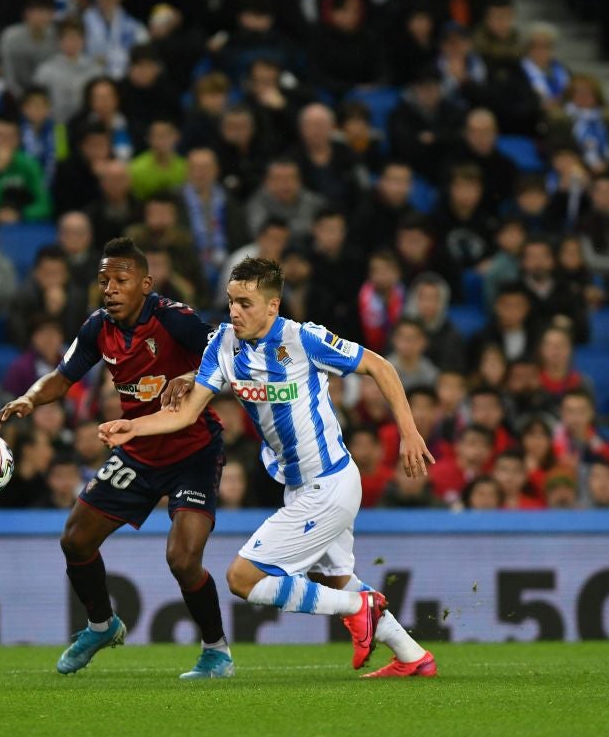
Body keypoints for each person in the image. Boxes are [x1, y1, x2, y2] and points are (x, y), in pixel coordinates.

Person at [101, 256, 439, 678]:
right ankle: (413, 656)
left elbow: (379, 365)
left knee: (243, 578)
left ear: (273, 306)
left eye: (245, 303)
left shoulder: (303, 339)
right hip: (298, 486)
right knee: (336, 581)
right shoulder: (223, 344)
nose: (234, 312)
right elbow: (185, 414)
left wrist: (408, 431)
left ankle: (360, 608)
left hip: (331, 482)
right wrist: (133, 426)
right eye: (230, 302)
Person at [0, 238, 232, 680]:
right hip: (138, 450)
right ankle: (101, 625)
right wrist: (29, 398)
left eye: (121, 280)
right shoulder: (97, 327)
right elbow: (63, 378)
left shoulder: (176, 320)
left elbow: (228, 356)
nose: (110, 288)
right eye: (104, 280)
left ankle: (216, 650)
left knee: (182, 559)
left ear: (145, 283)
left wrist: (186, 375)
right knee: (75, 539)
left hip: (193, 450)